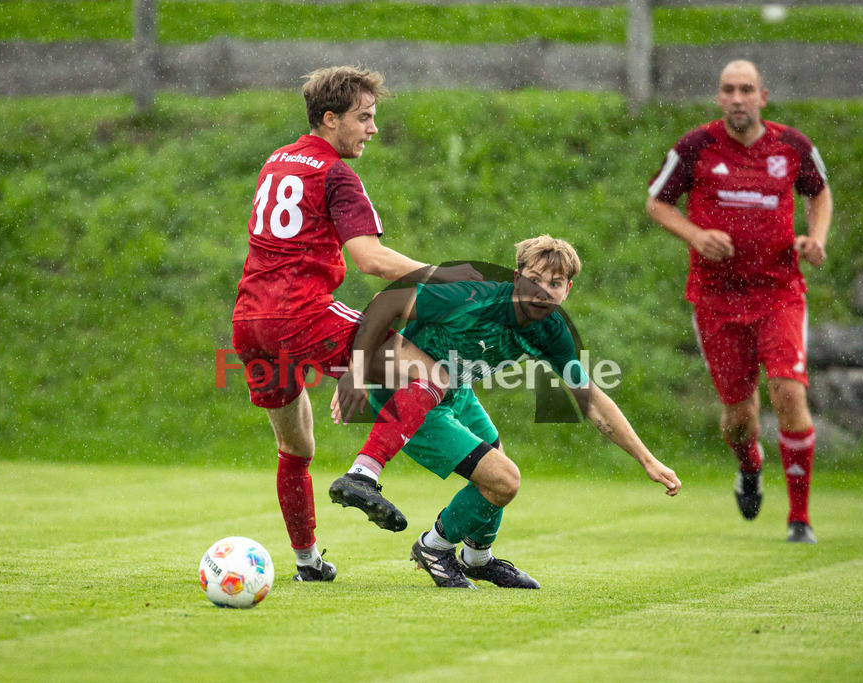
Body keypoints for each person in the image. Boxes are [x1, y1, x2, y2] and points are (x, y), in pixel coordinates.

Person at [231, 66, 481, 582]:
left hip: (250, 320)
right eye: (363, 117)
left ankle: (308, 563)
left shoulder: (278, 159)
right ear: (330, 119)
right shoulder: (336, 173)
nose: (372, 128)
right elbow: (370, 259)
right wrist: (444, 276)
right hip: (301, 312)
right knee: (433, 374)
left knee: (296, 448)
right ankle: (364, 473)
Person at [334, 236, 681, 588]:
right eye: (534, 279)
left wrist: (647, 460)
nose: (542, 292)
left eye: (554, 284)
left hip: (456, 391)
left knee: (497, 465)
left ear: (567, 290)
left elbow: (589, 398)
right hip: (409, 396)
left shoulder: (551, 331)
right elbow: (387, 302)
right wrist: (356, 372)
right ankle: (434, 547)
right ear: (517, 278)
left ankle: (477, 559)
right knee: (504, 480)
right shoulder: (473, 299)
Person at [646, 60, 832, 544]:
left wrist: (815, 238)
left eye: (746, 89)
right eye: (728, 90)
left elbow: (819, 194)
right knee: (739, 416)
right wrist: (695, 234)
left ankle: (799, 519)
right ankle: (749, 467)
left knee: (788, 392)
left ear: (762, 97)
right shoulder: (695, 147)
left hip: (779, 293)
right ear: (718, 97)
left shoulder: (792, 146)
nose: (737, 98)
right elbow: (657, 202)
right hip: (717, 300)